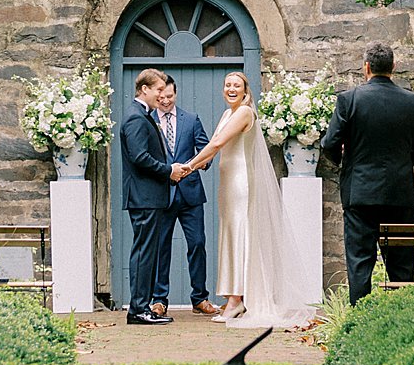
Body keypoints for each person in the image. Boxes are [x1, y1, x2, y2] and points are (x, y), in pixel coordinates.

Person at [180, 71, 316, 328]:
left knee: (241, 235)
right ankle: (233, 294)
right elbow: (213, 147)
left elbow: (218, 142)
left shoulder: (244, 112)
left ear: (245, 90)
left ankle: (237, 299)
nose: (231, 89)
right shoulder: (227, 113)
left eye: (236, 85)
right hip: (227, 183)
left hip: (241, 182)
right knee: (230, 236)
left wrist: (188, 166)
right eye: (227, 85)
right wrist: (197, 164)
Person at [320, 45, 414, 304]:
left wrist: (346, 163)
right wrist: (402, 163)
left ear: (366, 68)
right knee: (402, 265)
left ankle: (360, 322)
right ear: (393, 68)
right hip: (399, 193)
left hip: (359, 193)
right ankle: (402, 320)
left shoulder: (348, 100)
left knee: (360, 262)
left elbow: (329, 144)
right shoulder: (412, 101)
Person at [148, 77, 219, 316]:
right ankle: (159, 299)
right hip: (161, 193)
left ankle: (200, 298)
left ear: (175, 94)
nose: (166, 101)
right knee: (161, 246)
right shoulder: (148, 121)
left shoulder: (191, 119)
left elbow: (206, 149)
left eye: (170, 97)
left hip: (190, 194)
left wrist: (194, 166)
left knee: (198, 243)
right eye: (162, 98)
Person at [118, 69, 178, 324]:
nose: (162, 95)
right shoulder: (135, 117)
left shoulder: (143, 115)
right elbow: (139, 157)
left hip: (149, 197)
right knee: (143, 254)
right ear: (144, 90)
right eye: (158, 90)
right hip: (144, 197)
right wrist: (169, 170)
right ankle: (139, 310)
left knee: (147, 253)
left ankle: (141, 307)